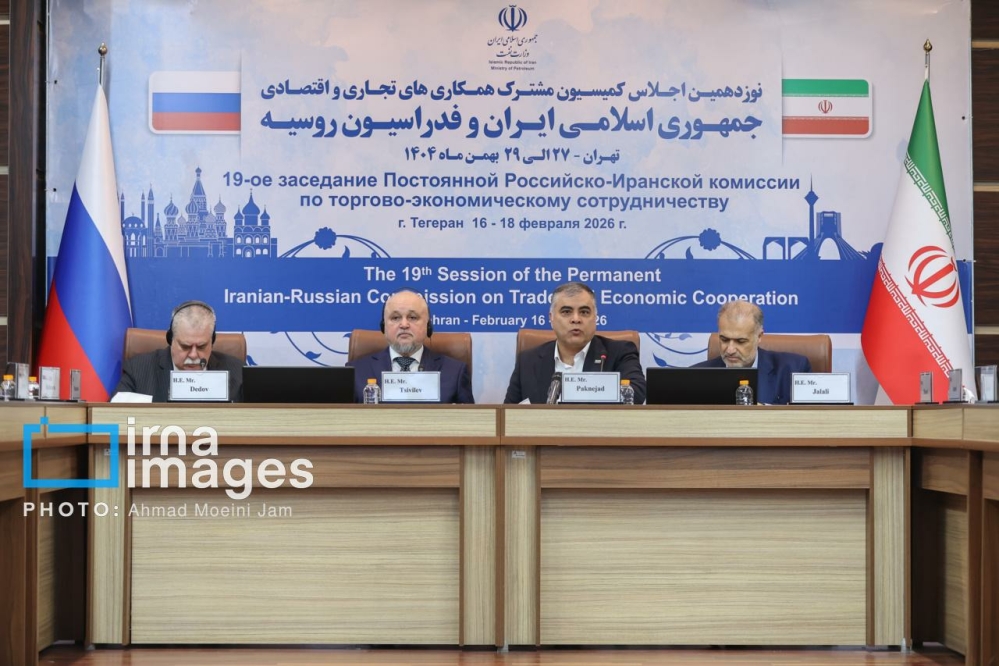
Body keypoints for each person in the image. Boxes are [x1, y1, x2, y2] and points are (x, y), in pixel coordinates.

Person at [504, 281, 646, 404]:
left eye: (584, 312)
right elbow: (508, 414)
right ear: (551, 318)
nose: (576, 319)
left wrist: (580, 391)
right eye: (566, 312)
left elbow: (636, 394)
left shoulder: (620, 353)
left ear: (595, 318)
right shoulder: (528, 361)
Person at [347, 289, 474, 403]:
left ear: (428, 326)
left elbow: (471, 420)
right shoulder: (356, 372)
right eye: (395, 318)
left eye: (413, 317)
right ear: (383, 326)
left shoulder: (455, 372)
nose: (404, 325)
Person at [115, 300, 244, 402]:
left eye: (201, 347)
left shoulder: (237, 372)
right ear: (170, 339)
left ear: (212, 342)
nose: (193, 355)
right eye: (185, 346)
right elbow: (114, 418)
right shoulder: (138, 370)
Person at [694, 300, 810, 405]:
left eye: (740, 341)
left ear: (759, 336)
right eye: (724, 339)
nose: (730, 350)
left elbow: (808, 418)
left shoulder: (793, 370)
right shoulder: (696, 377)